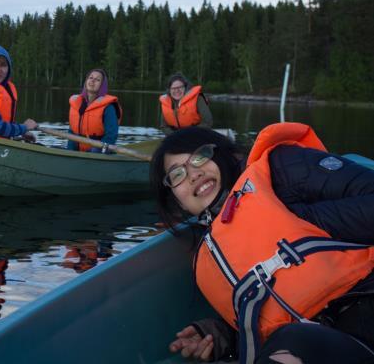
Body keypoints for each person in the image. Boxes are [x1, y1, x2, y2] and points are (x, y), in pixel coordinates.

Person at [151, 124, 374, 363]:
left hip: (362, 313)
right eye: (177, 174)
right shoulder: (210, 255)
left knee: (292, 342)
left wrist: (301, 224)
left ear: (223, 154)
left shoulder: (282, 168)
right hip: (313, 343)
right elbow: (273, 318)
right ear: (179, 203)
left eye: (199, 158)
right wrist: (220, 335)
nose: (193, 174)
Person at [67, 68, 121, 153]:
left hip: (98, 152)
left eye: (97, 80)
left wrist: (96, 153)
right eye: (90, 78)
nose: (93, 81)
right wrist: (69, 152)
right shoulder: (76, 104)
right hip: (78, 151)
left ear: (102, 85)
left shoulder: (108, 108)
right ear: (86, 81)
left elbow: (111, 136)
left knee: (95, 150)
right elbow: (72, 133)